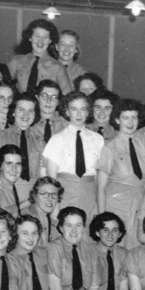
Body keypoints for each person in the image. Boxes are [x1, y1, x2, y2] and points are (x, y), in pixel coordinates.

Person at [96, 99, 145, 250]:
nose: (130, 122)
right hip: (116, 203)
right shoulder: (110, 147)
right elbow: (100, 187)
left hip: (139, 202)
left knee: (135, 247)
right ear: (117, 120)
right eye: (125, 117)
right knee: (116, 247)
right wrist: (103, 219)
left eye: (134, 117)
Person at [44, 91, 104, 220]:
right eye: (74, 109)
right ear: (67, 112)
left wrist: (97, 207)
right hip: (64, 193)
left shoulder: (98, 139)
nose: (78, 114)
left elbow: (100, 178)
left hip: (89, 194)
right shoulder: (57, 139)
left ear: (88, 112)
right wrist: (55, 208)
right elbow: (52, 179)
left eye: (82, 109)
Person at [0, 94, 46, 210]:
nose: (26, 115)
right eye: (21, 110)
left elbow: (43, 175)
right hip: (7, 195)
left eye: (31, 111)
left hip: (33, 197)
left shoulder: (40, 141)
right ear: (13, 112)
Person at [46, 207, 102, 290]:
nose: (74, 231)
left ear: (84, 228)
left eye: (78, 225)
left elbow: (94, 286)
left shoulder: (91, 250)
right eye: (68, 225)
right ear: (61, 228)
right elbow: (54, 286)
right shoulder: (53, 248)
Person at [89, 212, 130, 290]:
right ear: (97, 232)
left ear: (120, 234)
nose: (110, 235)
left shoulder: (124, 254)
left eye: (115, 230)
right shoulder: (87, 253)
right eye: (105, 230)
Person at [8, 19, 65, 97]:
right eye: (37, 36)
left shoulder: (58, 67)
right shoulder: (16, 62)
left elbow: (67, 97)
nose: (40, 41)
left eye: (45, 37)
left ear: (50, 40)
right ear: (30, 37)